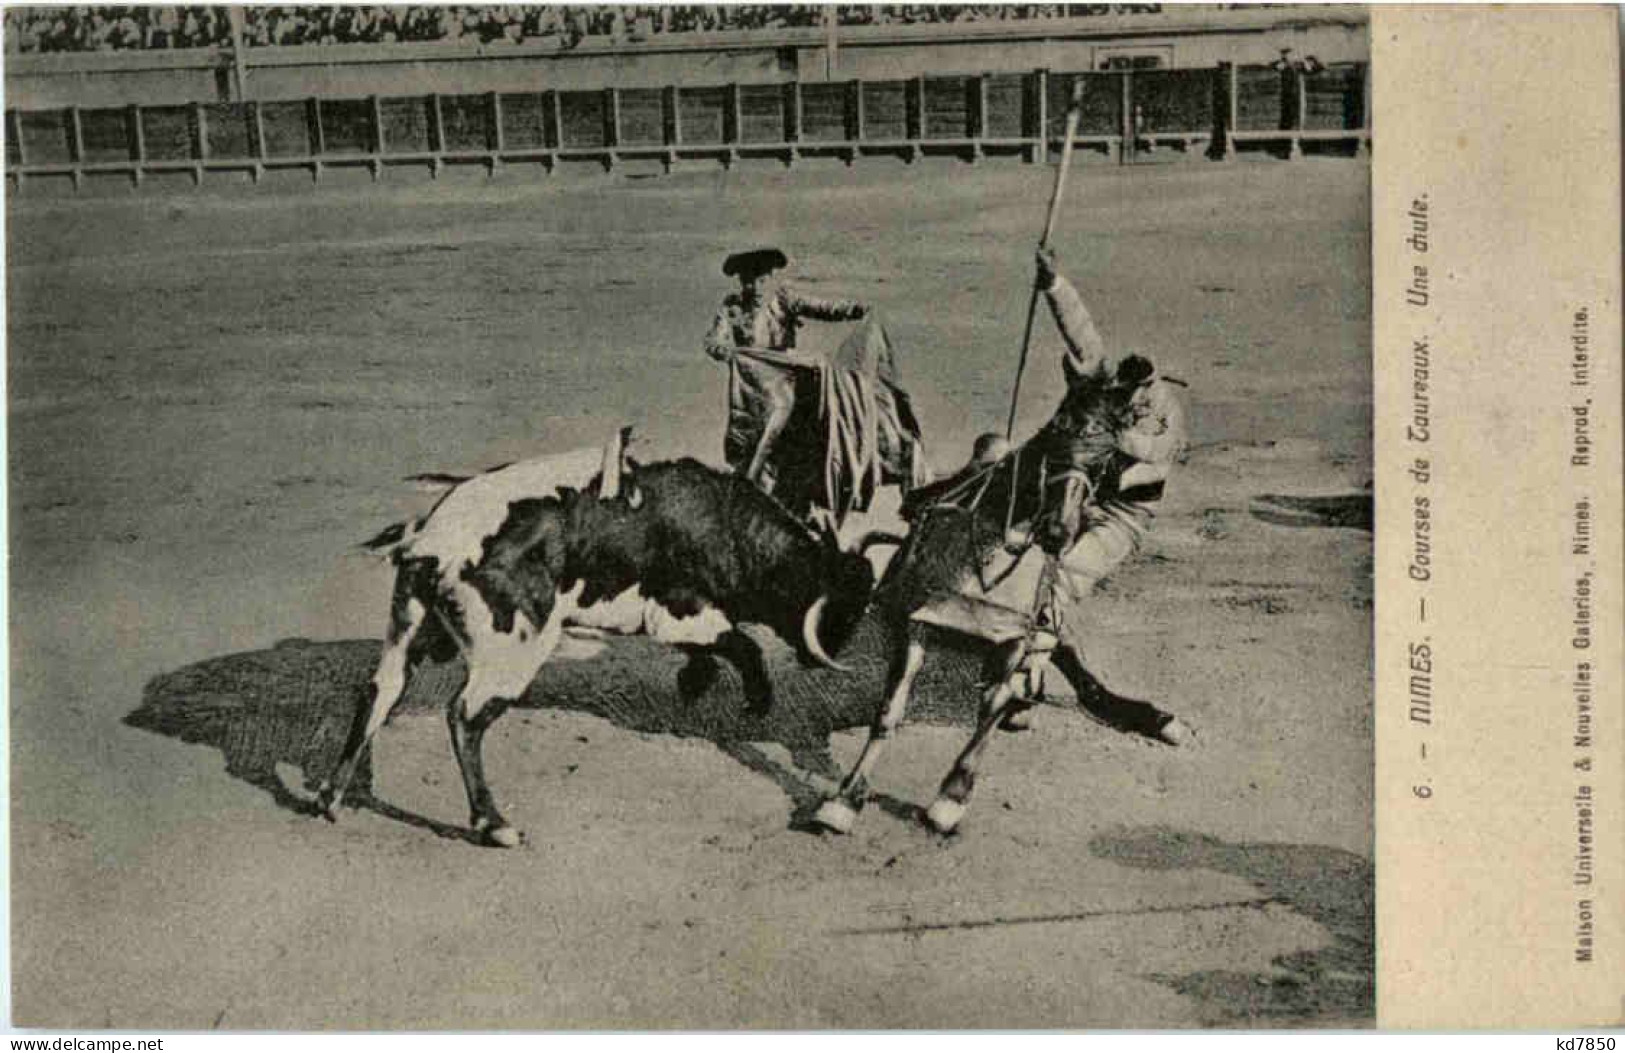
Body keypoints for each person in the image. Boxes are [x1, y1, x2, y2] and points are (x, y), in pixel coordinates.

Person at [1003, 245, 1193, 745]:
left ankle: (1028, 683)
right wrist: (1053, 283)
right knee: (1014, 555)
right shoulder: (1111, 386)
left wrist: (1116, 439)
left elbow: (1155, 454)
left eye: (1139, 392)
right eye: (1125, 392)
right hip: (1076, 492)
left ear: (1151, 387)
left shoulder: (1167, 416)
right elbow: (1083, 334)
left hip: (1121, 519)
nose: (1131, 399)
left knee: (1061, 581)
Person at [704, 247, 869, 489]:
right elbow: (713, 339)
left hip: (785, 378)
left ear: (770, 279)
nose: (756, 288)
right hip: (750, 388)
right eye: (750, 282)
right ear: (741, 282)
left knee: (811, 415)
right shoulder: (732, 308)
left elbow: (820, 307)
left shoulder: (783, 299)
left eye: (761, 280)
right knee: (747, 439)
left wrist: (854, 309)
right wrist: (725, 350)